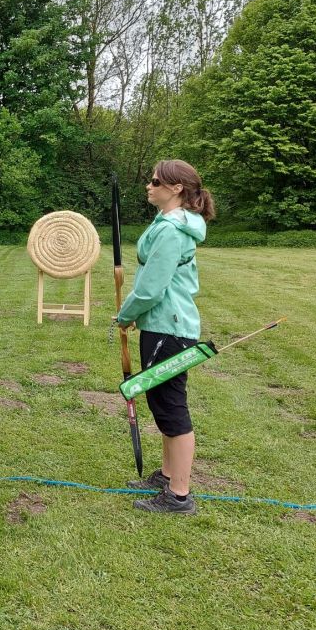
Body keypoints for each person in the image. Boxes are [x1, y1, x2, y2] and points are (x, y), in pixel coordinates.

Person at [117, 160, 216, 514]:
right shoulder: (170, 222)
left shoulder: (173, 231)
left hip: (168, 327)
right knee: (162, 402)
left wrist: (126, 314)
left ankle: (178, 495)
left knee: (171, 406)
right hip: (165, 324)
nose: (149, 185)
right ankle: (167, 475)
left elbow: (151, 287)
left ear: (176, 188)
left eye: (156, 181)